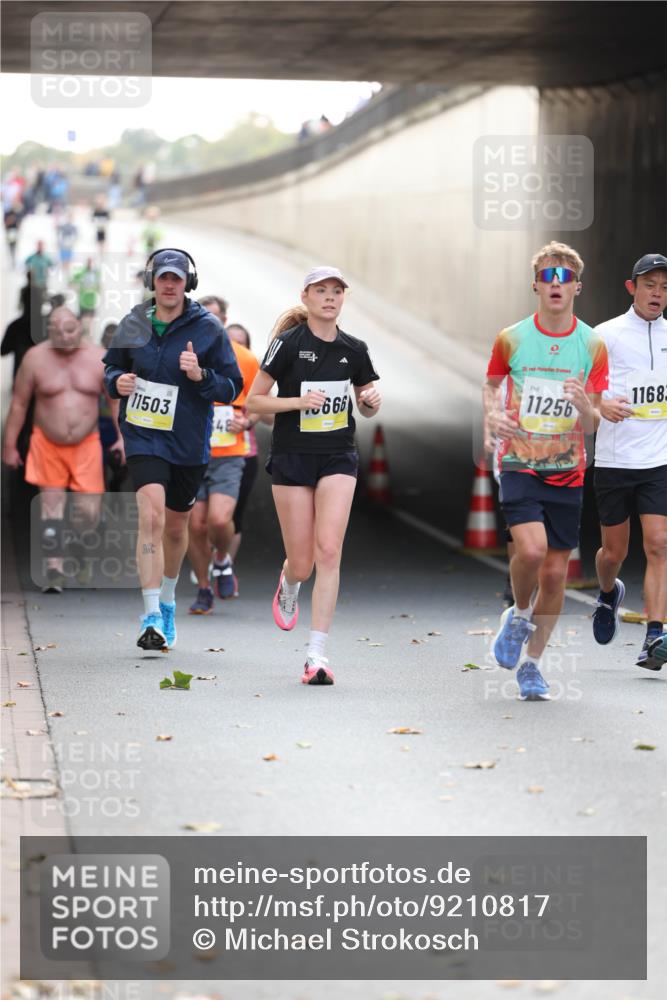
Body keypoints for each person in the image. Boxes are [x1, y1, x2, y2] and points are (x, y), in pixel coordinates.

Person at [484, 242, 608, 701]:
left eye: (565, 277)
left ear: (577, 286)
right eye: (548, 277)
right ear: (536, 284)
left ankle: (532, 666)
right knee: (531, 552)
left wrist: (583, 406)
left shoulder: (592, 344)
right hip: (519, 460)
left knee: (555, 575)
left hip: (568, 469)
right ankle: (519, 613)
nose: (556, 285)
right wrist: (492, 418)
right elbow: (492, 386)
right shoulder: (511, 338)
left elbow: (594, 421)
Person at [246, 266, 381, 686]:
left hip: (338, 455)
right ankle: (289, 582)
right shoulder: (288, 345)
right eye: (320, 291)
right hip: (292, 457)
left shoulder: (354, 349)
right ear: (305, 297)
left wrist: (372, 400)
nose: (329, 297)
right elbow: (254, 403)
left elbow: (368, 403)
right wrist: (298, 402)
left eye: (336, 291)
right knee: (303, 563)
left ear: (344, 298)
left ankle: (316, 655)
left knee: (329, 550)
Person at [102, 249, 243, 651]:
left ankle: (166, 598)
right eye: (162, 278)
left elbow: (232, 387)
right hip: (144, 434)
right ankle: (149, 616)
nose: (168, 285)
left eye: (176, 279)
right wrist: (118, 383)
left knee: (177, 527)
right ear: (152, 281)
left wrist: (200, 375)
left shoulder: (209, 329)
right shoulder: (133, 322)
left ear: (187, 283)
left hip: (187, 439)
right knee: (150, 515)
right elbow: (110, 369)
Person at [2, 307, 122, 593]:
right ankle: (53, 569)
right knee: (51, 505)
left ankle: (78, 548)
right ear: (49, 331)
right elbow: (19, 403)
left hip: (87, 444)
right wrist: (9, 445)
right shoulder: (35, 359)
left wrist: (122, 438)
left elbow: (115, 401)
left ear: (79, 328)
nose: (64, 338)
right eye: (57, 333)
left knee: (87, 513)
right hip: (47, 442)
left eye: (69, 331)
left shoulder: (98, 358)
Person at [592, 253, 667, 670]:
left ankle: (654, 636)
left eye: (665, 287)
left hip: (659, 458)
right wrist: (602, 403)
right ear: (631, 288)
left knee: (659, 544)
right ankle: (607, 593)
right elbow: (583, 386)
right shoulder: (607, 335)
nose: (658, 293)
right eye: (650, 284)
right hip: (616, 459)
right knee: (613, 552)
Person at [187, 299, 260, 613]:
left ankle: (221, 559)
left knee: (219, 520)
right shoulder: (183, 355)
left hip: (229, 451)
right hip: (189, 452)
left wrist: (247, 421)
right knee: (196, 525)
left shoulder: (245, 358)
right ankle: (204, 588)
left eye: (214, 318)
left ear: (224, 320)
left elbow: (259, 401)